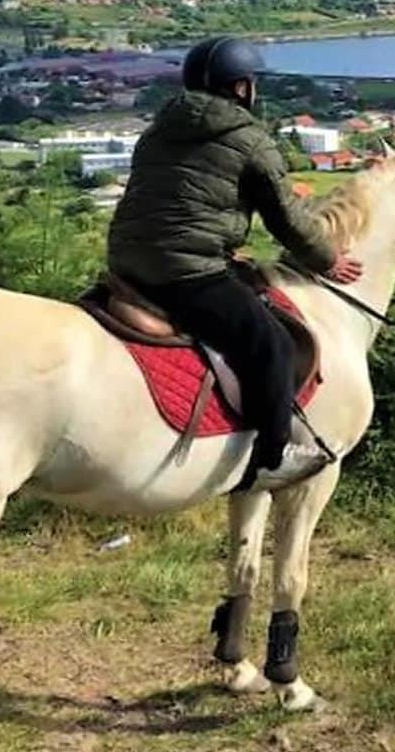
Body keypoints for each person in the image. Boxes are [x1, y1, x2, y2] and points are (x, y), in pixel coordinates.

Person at [107, 36, 364, 491]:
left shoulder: (158, 130)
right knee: (273, 344)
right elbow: (288, 220)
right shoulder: (250, 140)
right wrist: (328, 260)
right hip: (187, 272)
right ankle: (272, 457)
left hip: (128, 261)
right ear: (242, 88)